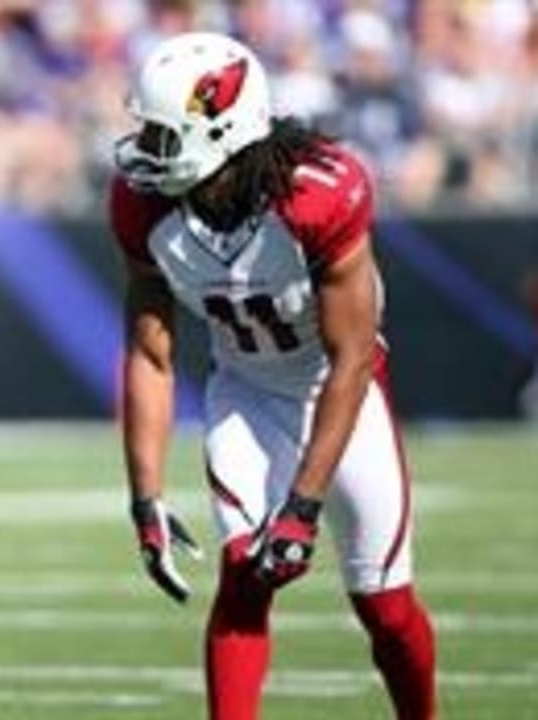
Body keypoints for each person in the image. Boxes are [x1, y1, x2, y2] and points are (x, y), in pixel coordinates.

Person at [109, 33, 436, 719]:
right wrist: (146, 499)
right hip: (248, 389)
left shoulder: (317, 195)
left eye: (161, 135)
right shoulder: (144, 209)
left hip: (339, 390)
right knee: (242, 581)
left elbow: (351, 356)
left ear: (219, 131)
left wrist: (303, 507)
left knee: (384, 606)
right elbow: (149, 352)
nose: (143, 149)